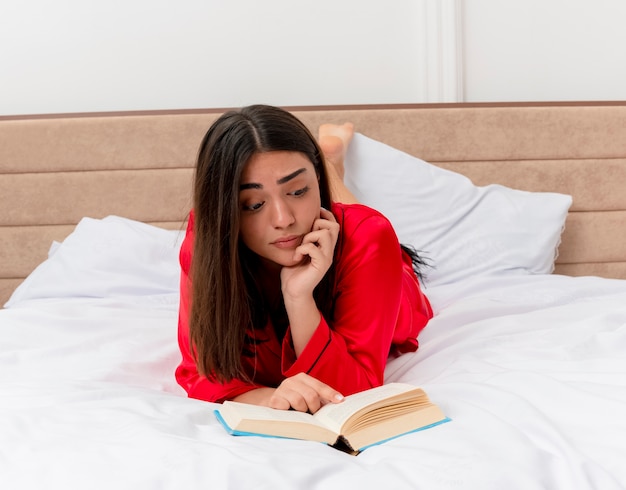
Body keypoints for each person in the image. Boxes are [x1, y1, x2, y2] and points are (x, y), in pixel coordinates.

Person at [175, 105, 433, 414]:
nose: (283, 220)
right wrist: (268, 398)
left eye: (298, 190)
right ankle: (329, 164)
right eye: (254, 204)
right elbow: (199, 371)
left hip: (375, 264)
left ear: (315, 181)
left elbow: (354, 392)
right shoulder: (207, 237)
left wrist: (299, 299)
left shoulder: (369, 238)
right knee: (332, 217)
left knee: (354, 223)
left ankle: (330, 164)